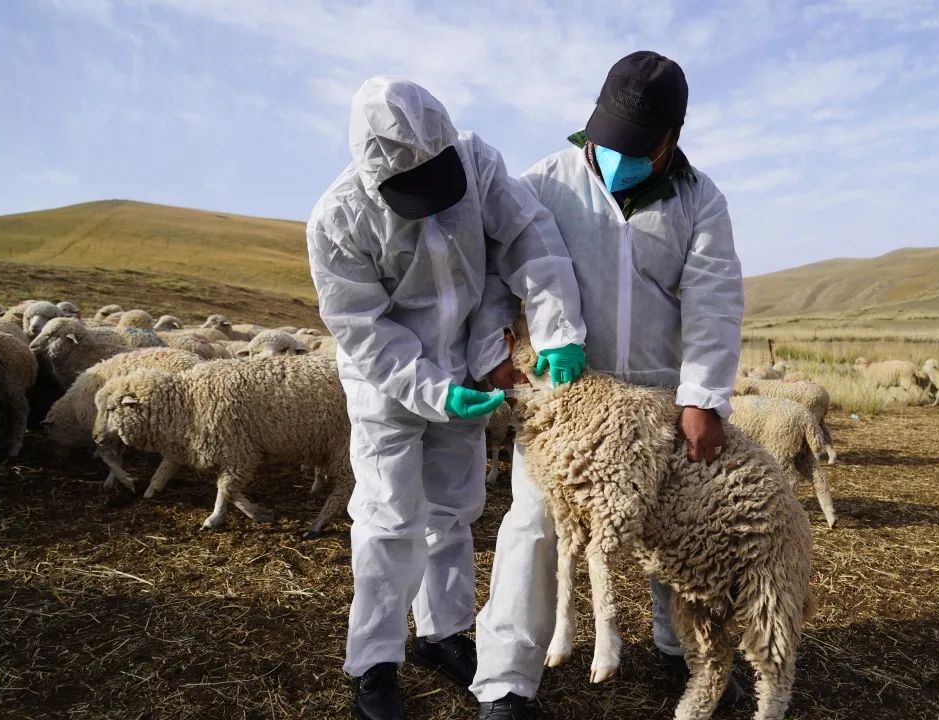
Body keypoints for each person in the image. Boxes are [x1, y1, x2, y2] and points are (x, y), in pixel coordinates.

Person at [470, 52, 745, 719]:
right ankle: (506, 677)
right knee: (538, 521)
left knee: (677, 524)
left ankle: (679, 649)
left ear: (669, 139)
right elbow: (496, 275)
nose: (611, 156)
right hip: (567, 406)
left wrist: (703, 396)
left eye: (632, 147)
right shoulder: (543, 184)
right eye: (605, 140)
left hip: (655, 397)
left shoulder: (697, 200)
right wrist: (489, 349)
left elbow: (713, 299)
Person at [306, 76, 587, 720]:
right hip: (390, 387)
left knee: (454, 511)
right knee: (387, 518)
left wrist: (558, 329)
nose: (432, 204)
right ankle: (374, 663)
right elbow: (363, 330)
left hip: (465, 366)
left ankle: (442, 634)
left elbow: (529, 240)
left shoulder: (476, 160)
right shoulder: (340, 218)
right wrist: (431, 389)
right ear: (376, 174)